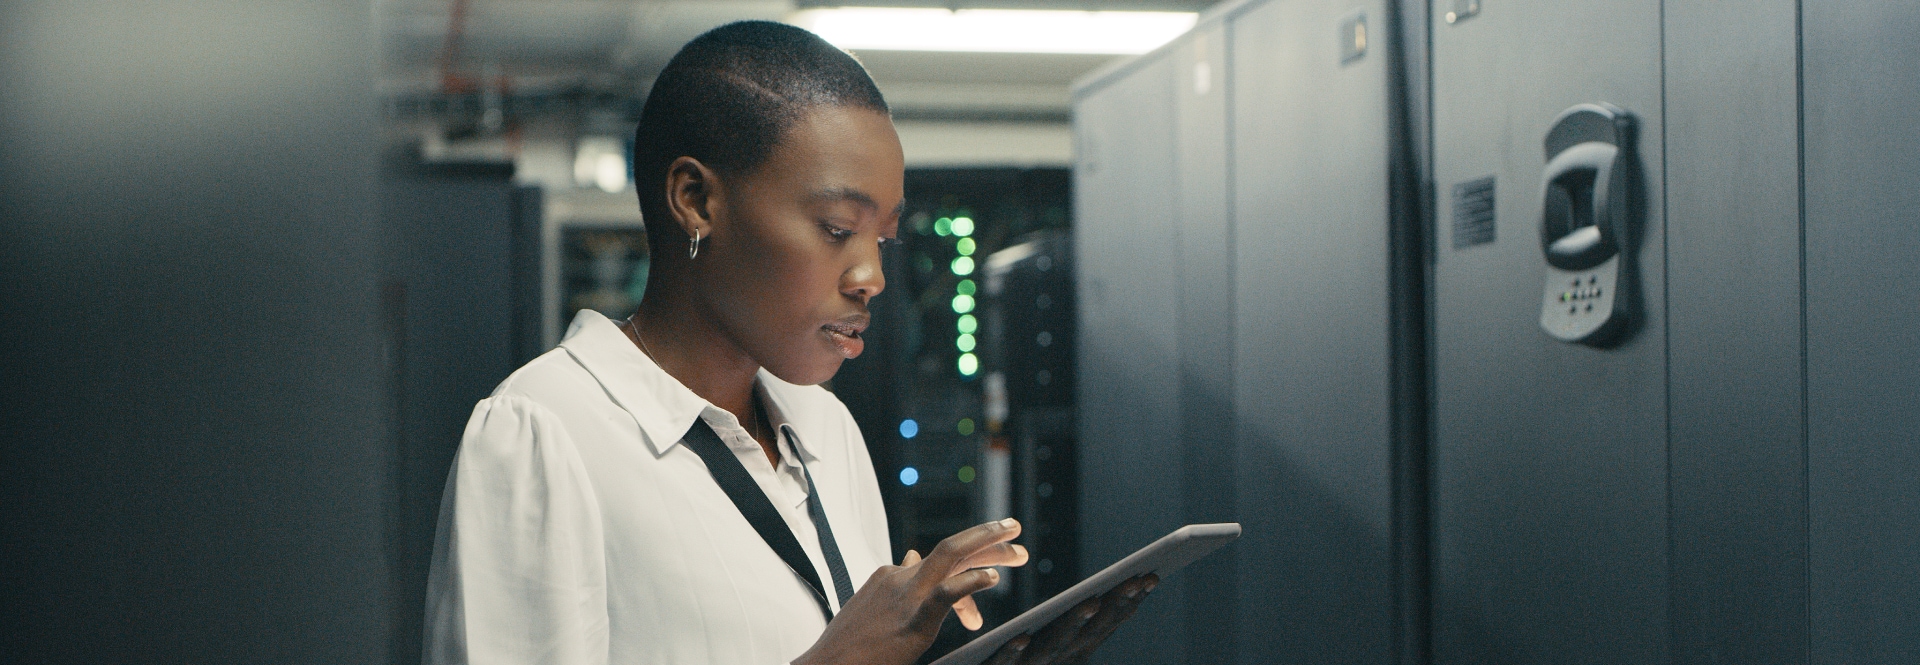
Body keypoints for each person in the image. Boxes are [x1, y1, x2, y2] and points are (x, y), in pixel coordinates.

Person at [423, 20, 1153, 665]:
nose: (870, 275)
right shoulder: (543, 433)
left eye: (884, 237)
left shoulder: (825, 428)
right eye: (838, 228)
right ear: (696, 200)